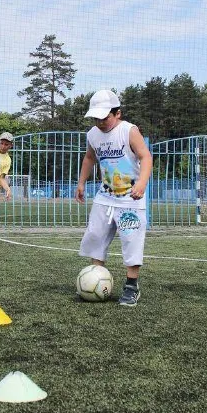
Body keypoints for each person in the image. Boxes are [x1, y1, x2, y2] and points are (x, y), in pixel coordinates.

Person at [75, 90, 153, 307]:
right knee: (95, 235)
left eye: (105, 117)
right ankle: (96, 277)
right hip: (105, 196)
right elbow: (90, 158)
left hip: (131, 198)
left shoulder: (129, 131)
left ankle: (131, 286)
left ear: (117, 113)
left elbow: (145, 157)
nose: (100, 122)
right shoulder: (92, 134)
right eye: (96, 118)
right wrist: (81, 183)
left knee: (131, 240)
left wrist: (142, 183)